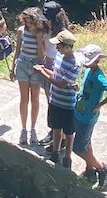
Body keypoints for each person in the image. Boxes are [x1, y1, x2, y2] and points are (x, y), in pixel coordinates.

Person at [72, 44, 107, 190]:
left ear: (97, 61)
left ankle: (102, 168)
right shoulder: (88, 71)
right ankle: (89, 170)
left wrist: (100, 104)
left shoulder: (99, 76)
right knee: (86, 143)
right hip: (80, 112)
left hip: (88, 117)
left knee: (78, 148)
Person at [34, 29, 79, 168]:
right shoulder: (59, 57)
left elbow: (61, 84)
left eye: (58, 45)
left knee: (69, 133)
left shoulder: (75, 64)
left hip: (67, 104)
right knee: (56, 128)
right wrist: (44, 69)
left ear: (67, 47)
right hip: (55, 100)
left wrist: (42, 73)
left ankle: (67, 158)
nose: (56, 47)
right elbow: (56, 74)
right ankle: (55, 152)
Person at [9, 6, 48, 145]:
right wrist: (12, 69)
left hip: (37, 66)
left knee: (35, 99)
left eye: (31, 22)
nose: (28, 24)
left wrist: (38, 39)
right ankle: (24, 129)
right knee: (24, 99)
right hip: (23, 65)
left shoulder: (41, 33)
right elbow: (17, 51)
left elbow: (42, 55)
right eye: (26, 21)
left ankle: (33, 129)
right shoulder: (21, 31)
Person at [36, 0, 71, 146]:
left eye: (48, 19)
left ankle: (60, 136)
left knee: (56, 103)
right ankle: (54, 132)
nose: (46, 22)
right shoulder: (47, 29)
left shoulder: (63, 33)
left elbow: (66, 54)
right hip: (47, 63)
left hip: (58, 66)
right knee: (50, 101)